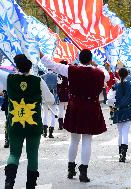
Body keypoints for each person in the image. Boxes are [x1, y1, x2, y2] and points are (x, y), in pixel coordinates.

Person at [0, 41, 55, 189]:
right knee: (32, 154)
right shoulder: (38, 80)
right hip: (33, 124)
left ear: (17, 66)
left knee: (14, 153)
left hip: (15, 123)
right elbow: (51, 100)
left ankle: (9, 182)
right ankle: (31, 185)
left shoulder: (9, 78)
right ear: (30, 67)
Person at [41, 49, 110, 182]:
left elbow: (51, 65)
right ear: (90, 59)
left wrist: (40, 55)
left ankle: (70, 169)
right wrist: (96, 65)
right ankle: (83, 172)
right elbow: (106, 74)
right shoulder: (100, 72)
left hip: (75, 106)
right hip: (91, 106)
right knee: (87, 140)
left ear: (79, 59)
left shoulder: (71, 70)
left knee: (74, 140)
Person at [108, 68, 131, 162]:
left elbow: (110, 99)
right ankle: (123, 155)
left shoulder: (115, 85)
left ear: (118, 75)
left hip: (119, 110)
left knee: (120, 133)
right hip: (128, 110)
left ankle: (120, 154)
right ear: (127, 75)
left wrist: (114, 106)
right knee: (125, 133)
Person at [41, 69, 59, 137]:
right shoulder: (56, 76)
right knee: (53, 115)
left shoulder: (42, 76)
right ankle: (51, 133)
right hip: (53, 97)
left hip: (45, 98)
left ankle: (44, 131)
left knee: (44, 114)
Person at [57, 60, 69, 130]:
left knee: (60, 109)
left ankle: (60, 125)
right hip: (67, 93)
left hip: (60, 94)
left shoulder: (58, 74)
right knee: (68, 109)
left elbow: (57, 85)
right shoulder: (69, 74)